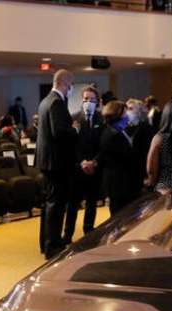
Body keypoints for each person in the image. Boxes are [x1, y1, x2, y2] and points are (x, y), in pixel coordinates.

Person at [36, 69, 77, 258]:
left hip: (48, 161)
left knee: (49, 204)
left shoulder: (45, 101)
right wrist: (74, 129)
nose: (71, 88)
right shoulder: (56, 102)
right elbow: (59, 132)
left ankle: (46, 242)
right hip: (57, 162)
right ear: (64, 83)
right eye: (71, 84)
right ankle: (53, 246)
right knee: (56, 205)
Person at [63, 85, 104, 245]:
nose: (88, 102)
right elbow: (71, 146)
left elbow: (104, 145)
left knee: (92, 203)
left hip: (94, 169)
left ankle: (88, 232)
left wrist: (94, 162)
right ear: (82, 100)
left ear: (97, 102)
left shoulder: (102, 120)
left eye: (92, 99)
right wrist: (82, 162)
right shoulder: (74, 118)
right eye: (86, 99)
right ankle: (67, 235)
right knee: (73, 204)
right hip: (77, 169)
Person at [87, 101, 143, 216]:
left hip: (119, 184)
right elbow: (127, 158)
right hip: (120, 185)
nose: (127, 114)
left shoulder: (115, 131)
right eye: (125, 112)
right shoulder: (114, 134)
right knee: (121, 218)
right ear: (118, 115)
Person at [125, 98, 154, 185]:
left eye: (131, 108)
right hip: (126, 170)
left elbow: (148, 151)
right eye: (127, 109)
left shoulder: (147, 128)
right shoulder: (123, 127)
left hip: (140, 169)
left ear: (139, 112)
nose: (128, 112)